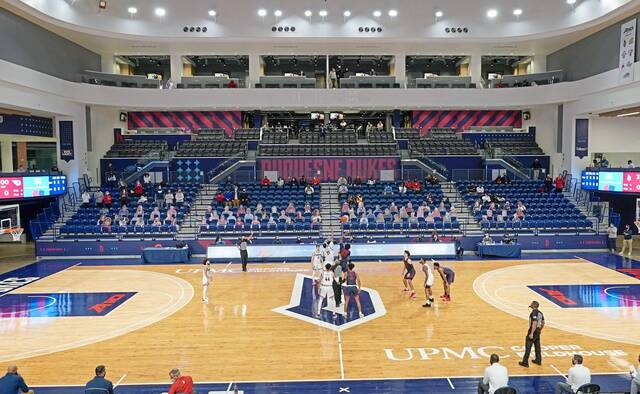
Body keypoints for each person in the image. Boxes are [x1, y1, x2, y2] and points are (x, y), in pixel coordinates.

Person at [519, 300, 545, 367]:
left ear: (533, 305)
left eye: (531, 304)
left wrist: (531, 333)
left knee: (528, 346)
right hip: (538, 330)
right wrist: (540, 330)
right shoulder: (540, 313)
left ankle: (525, 362)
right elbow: (543, 323)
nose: (530, 304)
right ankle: (538, 360)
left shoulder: (534, 313)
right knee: (537, 346)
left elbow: (534, 323)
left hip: (533, 330)